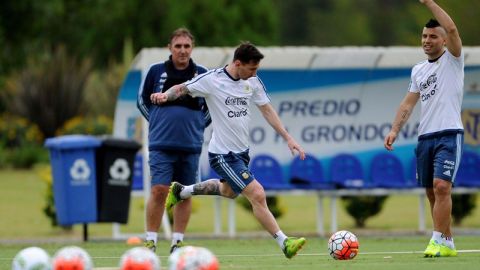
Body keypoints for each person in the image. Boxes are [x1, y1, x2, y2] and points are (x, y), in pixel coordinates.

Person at [150, 42, 307, 259]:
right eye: (251, 69)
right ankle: (284, 242)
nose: (254, 73)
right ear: (237, 63)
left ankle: (182, 191)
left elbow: (267, 110)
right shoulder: (212, 80)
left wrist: (288, 138)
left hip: (241, 153)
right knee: (257, 194)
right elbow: (182, 88)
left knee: (228, 192)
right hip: (223, 155)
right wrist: (164, 96)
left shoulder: (252, 81)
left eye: (256, 69)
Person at [384, 0, 464, 257]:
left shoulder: (453, 59)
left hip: (449, 134)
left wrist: (429, 3)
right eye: (424, 36)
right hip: (425, 137)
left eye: (432, 36)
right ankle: (447, 241)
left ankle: (436, 239)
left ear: (442, 41)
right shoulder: (418, 70)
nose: (427, 40)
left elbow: (452, 29)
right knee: (432, 192)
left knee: (442, 187)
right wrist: (395, 129)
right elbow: (408, 103)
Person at [137, 27, 209, 254]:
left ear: (192, 48)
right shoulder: (155, 71)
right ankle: (150, 240)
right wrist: (158, 123)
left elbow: (211, 108)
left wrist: (197, 126)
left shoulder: (202, 73)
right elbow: (142, 101)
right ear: (169, 48)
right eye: (178, 46)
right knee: (159, 190)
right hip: (161, 145)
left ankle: (177, 242)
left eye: (187, 46)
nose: (182, 50)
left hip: (190, 145)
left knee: (185, 192)